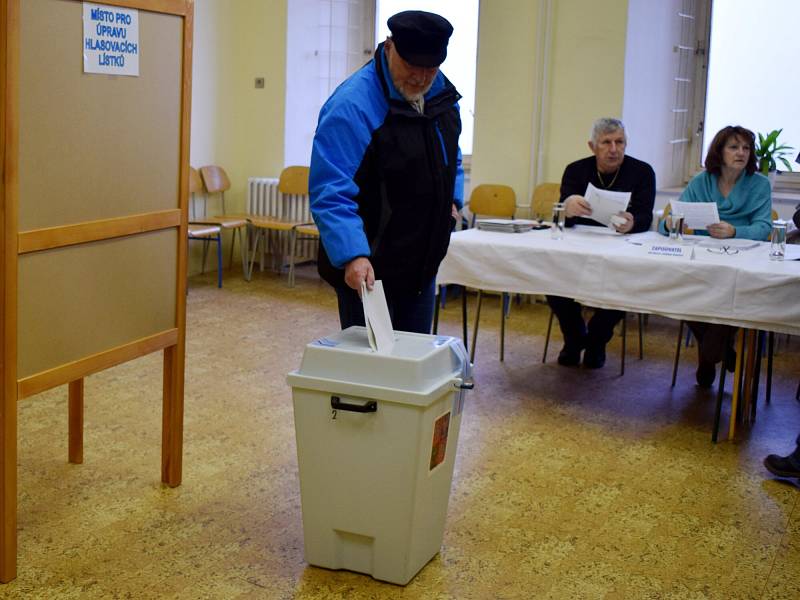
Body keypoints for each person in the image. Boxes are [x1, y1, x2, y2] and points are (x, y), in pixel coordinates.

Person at [309, 10, 463, 334]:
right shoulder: (353, 105)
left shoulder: (442, 95)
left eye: (430, 69)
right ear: (391, 46)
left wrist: (454, 202)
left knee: (413, 371)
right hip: (370, 270)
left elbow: (452, 156)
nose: (420, 79)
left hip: (421, 266)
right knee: (371, 375)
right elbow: (331, 189)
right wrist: (353, 255)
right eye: (411, 67)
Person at [660, 125, 772, 387]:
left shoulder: (760, 184)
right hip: (702, 259)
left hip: (741, 262)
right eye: (734, 147)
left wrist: (735, 230)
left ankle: (709, 356)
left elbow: (765, 227)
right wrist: (673, 224)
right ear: (719, 151)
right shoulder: (701, 181)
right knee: (679, 290)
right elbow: (669, 221)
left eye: (746, 148)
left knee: (729, 294)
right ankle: (721, 352)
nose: (741, 153)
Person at [547, 118, 656, 368]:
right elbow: (566, 212)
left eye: (620, 142)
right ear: (592, 146)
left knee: (627, 282)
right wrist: (569, 206)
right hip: (579, 243)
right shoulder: (576, 169)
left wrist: (632, 222)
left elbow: (645, 216)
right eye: (606, 142)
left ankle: (597, 338)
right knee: (550, 272)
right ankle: (574, 335)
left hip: (622, 246)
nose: (614, 149)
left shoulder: (642, 172)